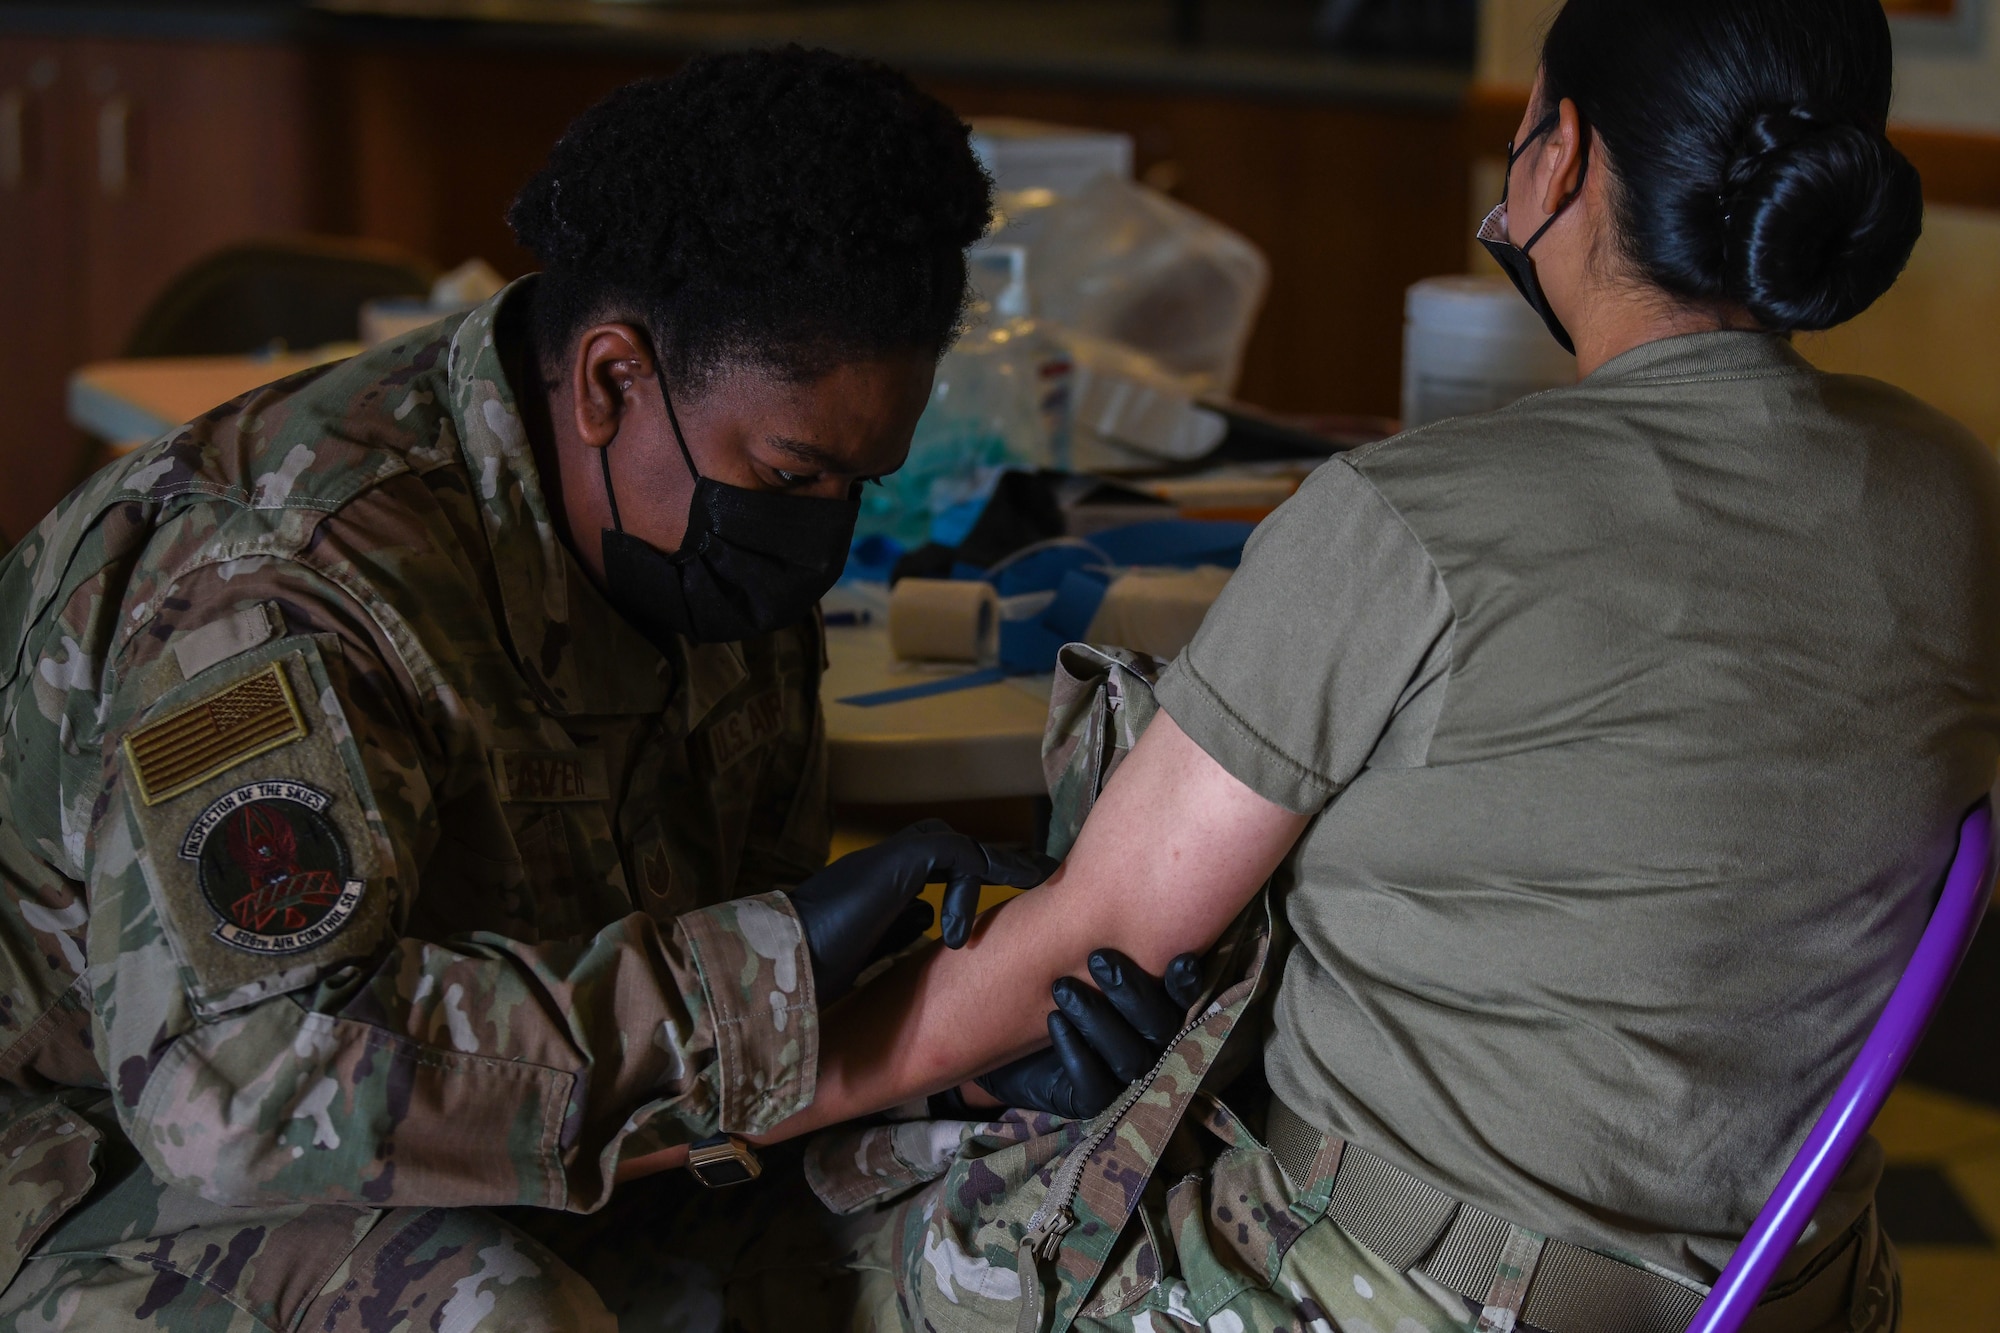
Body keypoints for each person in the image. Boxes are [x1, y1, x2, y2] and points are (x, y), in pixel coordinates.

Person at [698, 3, 2000, 1331]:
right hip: (1805, 1290)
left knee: (786, 1237)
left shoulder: (1409, 517)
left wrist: (719, 1094)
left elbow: (1082, 947)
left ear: (1564, 163)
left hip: (1404, 1293)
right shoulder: (1948, 487)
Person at [0, 50, 1193, 1332]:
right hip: (88, 1157)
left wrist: (952, 1074)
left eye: (862, 482)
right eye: (794, 476)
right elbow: (243, 1096)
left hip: (464, 1146)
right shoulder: (274, 582)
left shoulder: (693, 547)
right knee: (492, 1313)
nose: (824, 534)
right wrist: (778, 968)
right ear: (610, 381)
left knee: (1000, 1223)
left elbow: (683, 1054)